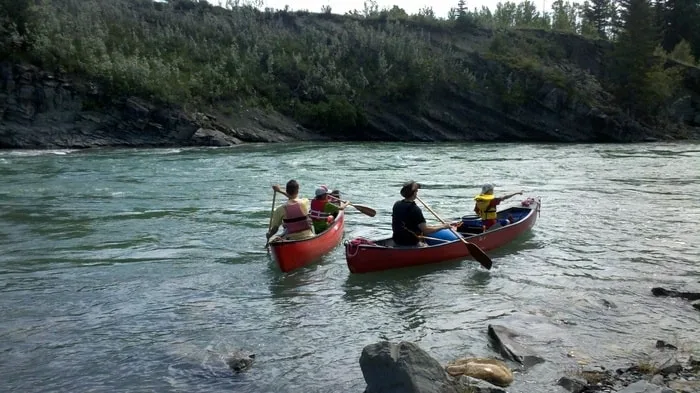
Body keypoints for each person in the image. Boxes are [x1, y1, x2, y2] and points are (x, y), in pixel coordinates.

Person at [392, 180, 456, 247]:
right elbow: (426, 231)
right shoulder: (415, 209)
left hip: (397, 240)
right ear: (414, 193)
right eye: (417, 191)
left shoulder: (397, 204)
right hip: (411, 243)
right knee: (425, 243)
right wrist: (443, 226)